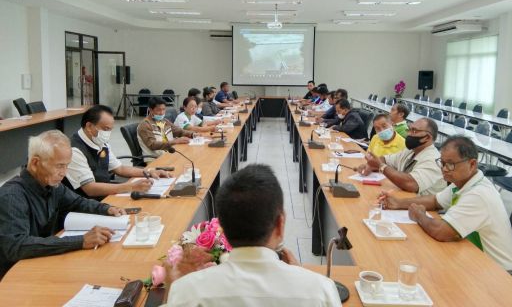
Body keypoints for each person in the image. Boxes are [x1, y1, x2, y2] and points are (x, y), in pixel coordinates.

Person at [162, 164, 341, 306]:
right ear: (280, 224)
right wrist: (301, 276)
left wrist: (172, 291)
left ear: (221, 226)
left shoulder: (187, 291)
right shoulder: (321, 291)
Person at [379, 136, 512, 271]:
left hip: (496, 274)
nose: (445, 169)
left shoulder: (479, 195)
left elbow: (441, 232)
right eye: (443, 163)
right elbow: (435, 201)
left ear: (472, 164)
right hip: (471, 258)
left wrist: (419, 215)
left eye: (451, 164)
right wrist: (399, 203)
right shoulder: (462, 182)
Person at [0, 130, 125, 278]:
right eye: (59, 166)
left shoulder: (52, 185)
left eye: (67, 166)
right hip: (14, 276)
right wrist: (81, 241)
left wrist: (107, 209)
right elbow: (16, 246)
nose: (64, 173)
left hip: (42, 262)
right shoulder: (12, 196)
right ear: (35, 163)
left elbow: (77, 202)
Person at [64, 105, 170, 200]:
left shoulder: (99, 142)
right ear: (89, 126)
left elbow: (120, 169)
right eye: (105, 129)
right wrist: (130, 187)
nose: (108, 133)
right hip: (86, 204)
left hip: (106, 195)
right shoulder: (74, 151)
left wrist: (149, 172)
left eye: (110, 129)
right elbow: (90, 189)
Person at [358, 118, 446, 195]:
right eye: (409, 130)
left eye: (414, 131)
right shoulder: (410, 150)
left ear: (427, 137)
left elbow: (411, 184)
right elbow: (385, 159)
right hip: (405, 197)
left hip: (423, 206)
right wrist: (370, 165)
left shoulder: (433, 160)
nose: (409, 134)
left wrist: (381, 166)